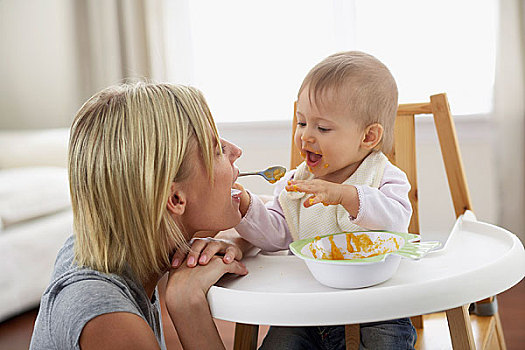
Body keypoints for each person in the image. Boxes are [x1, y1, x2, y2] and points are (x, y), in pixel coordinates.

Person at [29, 82, 251, 350]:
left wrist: (234, 243)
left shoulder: (116, 240)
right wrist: (188, 305)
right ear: (175, 199)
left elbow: (262, 212)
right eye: (216, 150)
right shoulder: (107, 320)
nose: (236, 151)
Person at [233, 51, 417, 349]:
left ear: (368, 137)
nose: (305, 136)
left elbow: (397, 221)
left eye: (322, 128)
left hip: (376, 306)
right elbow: (276, 233)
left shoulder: (384, 176)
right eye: (302, 122)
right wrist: (245, 206)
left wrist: (346, 196)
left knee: (386, 342)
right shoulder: (296, 183)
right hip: (306, 307)